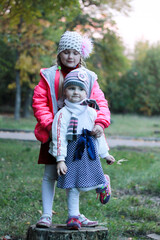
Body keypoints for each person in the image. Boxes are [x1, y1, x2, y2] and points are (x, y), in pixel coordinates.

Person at [32, 31, 111, 228]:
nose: (70, 56)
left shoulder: (89, 77)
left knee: (72, 175)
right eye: (66, 52)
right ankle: (46, 215)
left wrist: (100, 123)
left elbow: (100, 102)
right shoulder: (50, 75)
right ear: (59, 54)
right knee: (50, 174)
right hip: (53, 134)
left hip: (78, 137)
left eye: (75, 52)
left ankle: (74, 214)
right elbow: (40, 102)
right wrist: (52, 127)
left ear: (81, 55)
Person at [49, 69, 115, 229]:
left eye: (80, 89)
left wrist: (105, 154)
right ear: (64, 91)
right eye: (71, 88)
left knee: (89, 180)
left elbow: (99, 135)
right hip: (71, 154)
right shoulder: (62, 114)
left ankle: (102, 183)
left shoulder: (92, 112)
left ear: (86, 92)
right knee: (72, 185)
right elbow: (59, 138)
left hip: (89, 151)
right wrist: (60, 159)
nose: (76, 92)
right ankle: (73, 216)